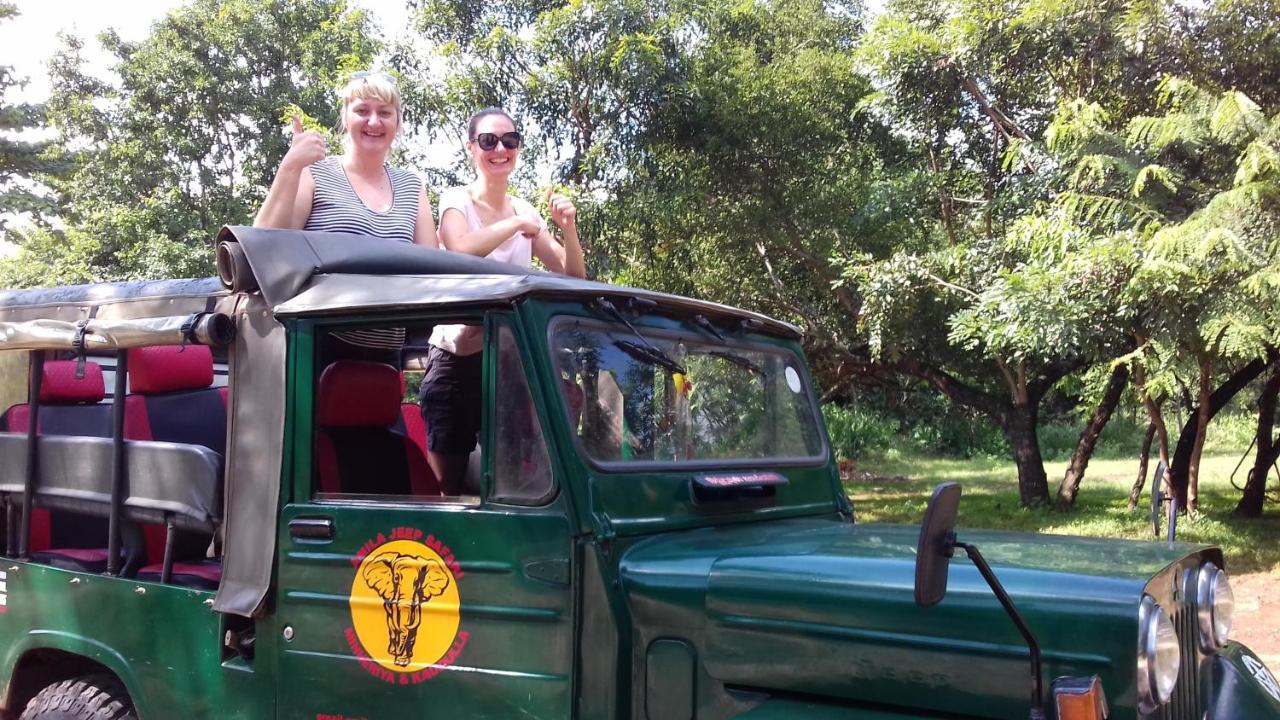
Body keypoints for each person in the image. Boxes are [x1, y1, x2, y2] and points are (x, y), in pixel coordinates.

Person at [422, 107, 586, 493]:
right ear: (471, 147)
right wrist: (514, 225)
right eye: (488, 140)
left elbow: (571, 275)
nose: (500, 149)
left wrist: (569, 229)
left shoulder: (525, 211)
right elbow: (460, 251)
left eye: (509, 141)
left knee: (514, 471)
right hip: (456, 357)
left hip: (508, 360)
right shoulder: (456, 200)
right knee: (448, 481)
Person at [255, 70, 437, 360]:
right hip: (315, 345)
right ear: (345, 117)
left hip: (386, 349)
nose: (374, 122)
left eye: (385, 112)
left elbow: (433, 269)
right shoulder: (314, 173)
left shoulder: (412, 186)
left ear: (398, 122)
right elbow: (263, 245)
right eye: (362, 111)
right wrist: (290, 166)